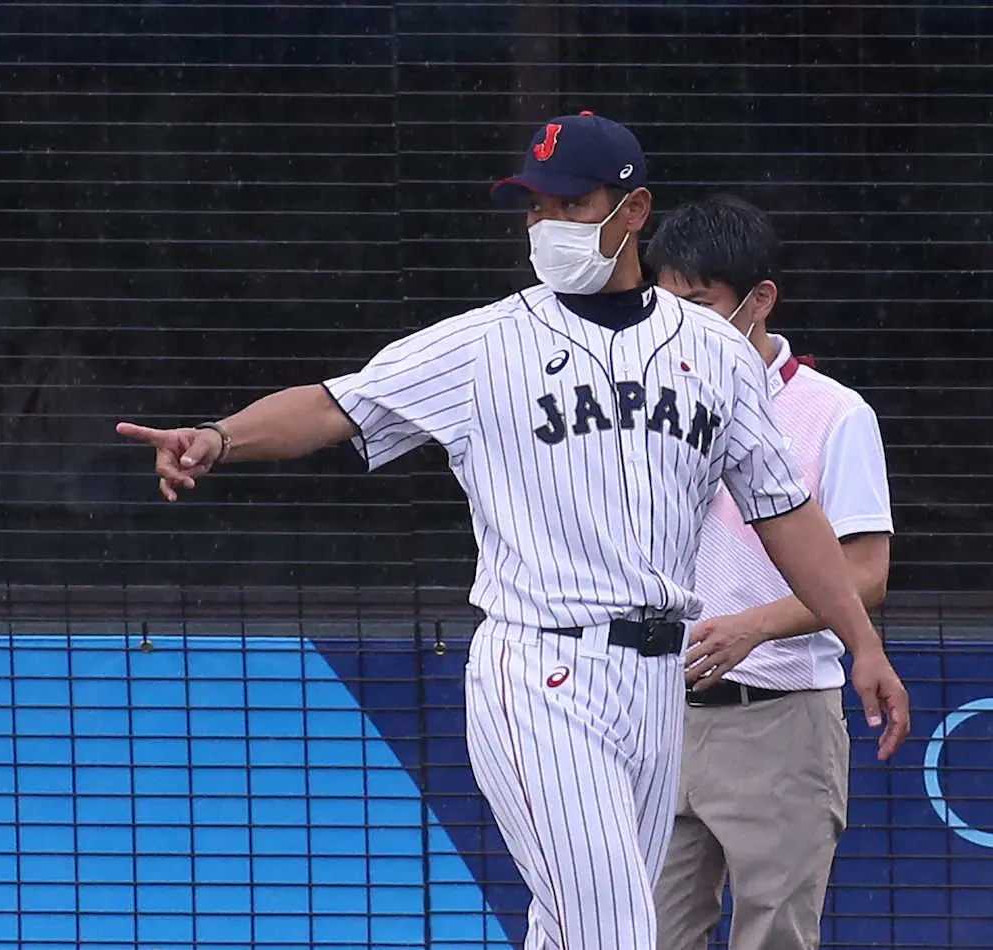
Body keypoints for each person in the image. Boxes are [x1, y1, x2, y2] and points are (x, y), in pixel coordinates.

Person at [116, 115, 908, 950]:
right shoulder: (485, 342)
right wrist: (219, 436)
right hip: (542, 667)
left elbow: (785, 513)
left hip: (658, 679)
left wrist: (863, 643)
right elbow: (335, 403)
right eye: (533, 207)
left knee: (571, 932)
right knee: (615, 932)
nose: (546, 224)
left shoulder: (714, 350)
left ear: (633, 210)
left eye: (569, 202)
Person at [646, 194, 905, 950]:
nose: (679, 323)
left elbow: (867, 572)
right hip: (653, 713)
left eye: (698, 303)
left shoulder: (834, 414)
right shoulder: (644, 405)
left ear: (759, 301)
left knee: (776, 938)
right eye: (664, 304)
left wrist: (755, 627)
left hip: (781, 713)